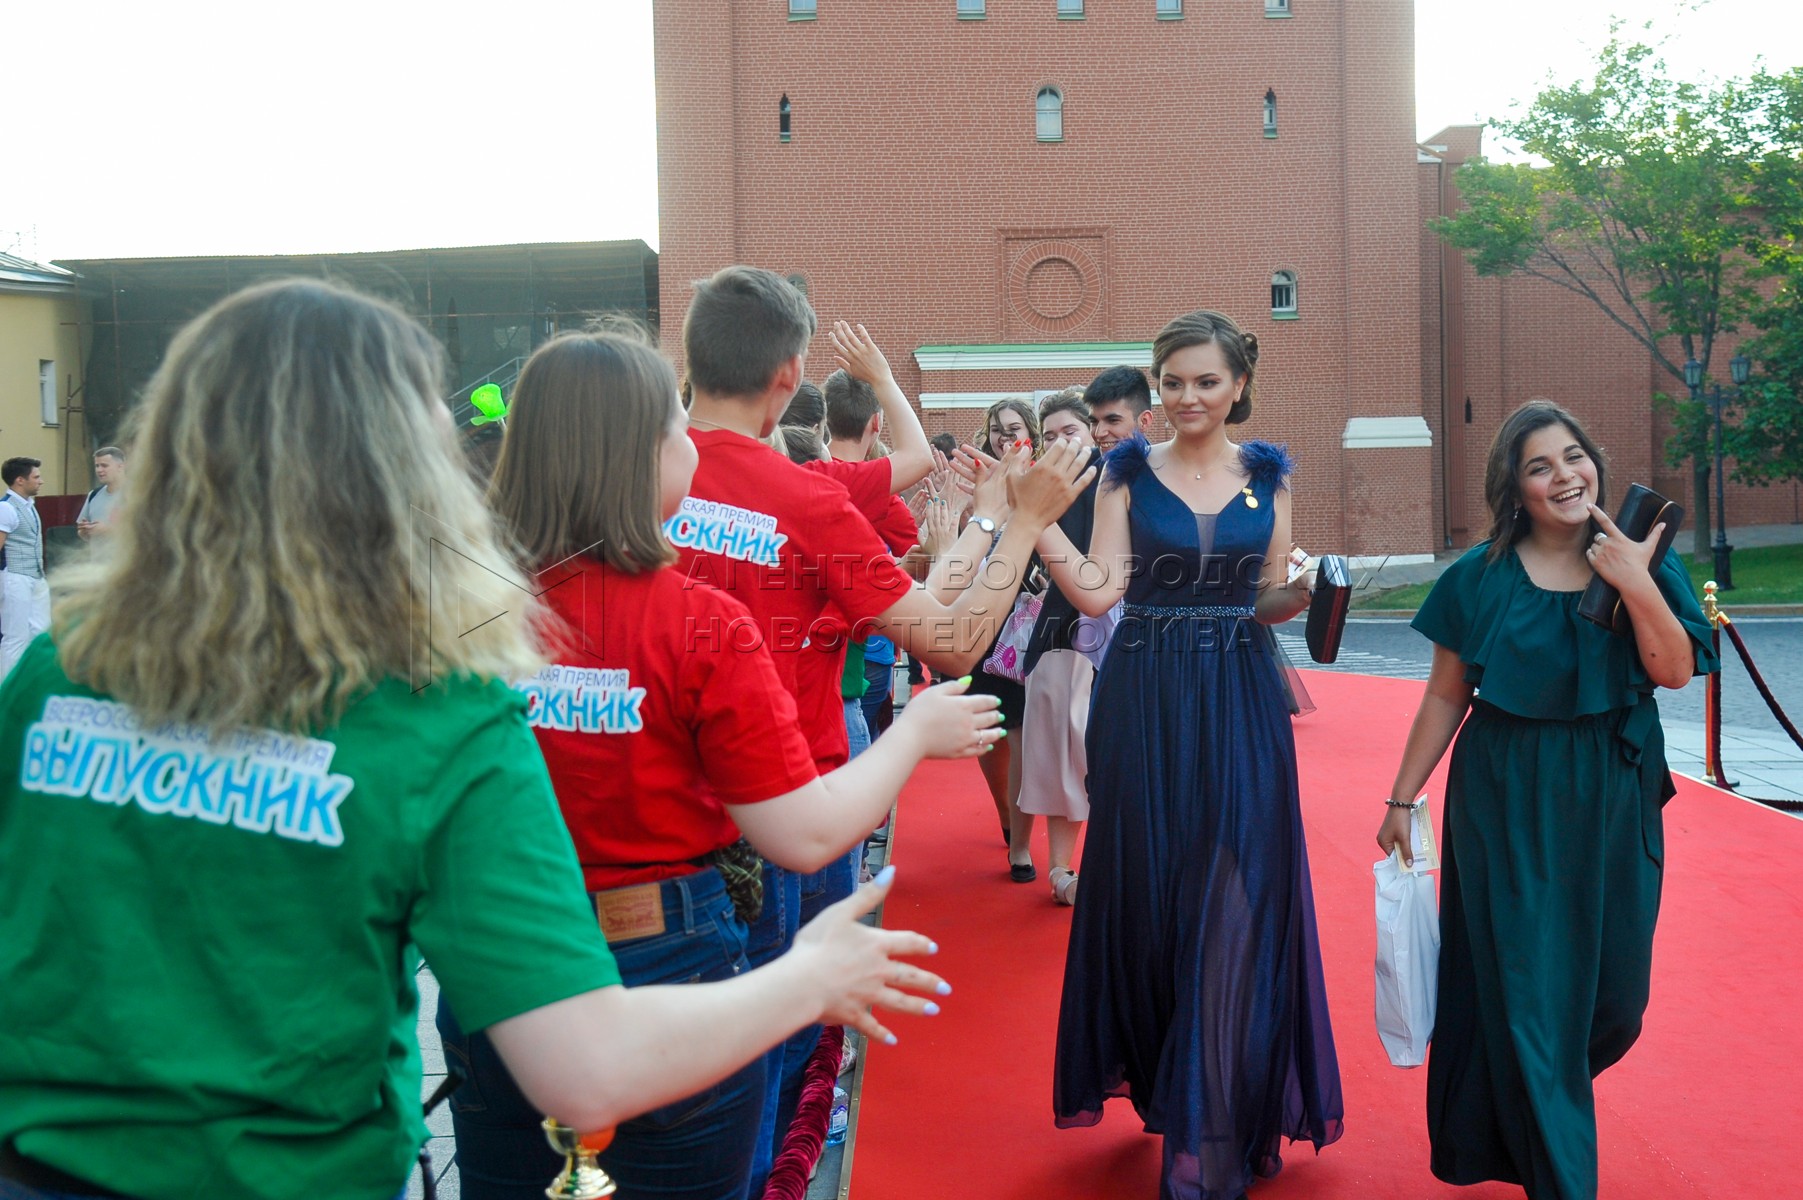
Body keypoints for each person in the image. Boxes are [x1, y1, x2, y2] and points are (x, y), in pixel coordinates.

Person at [0, 279, 950, 1200]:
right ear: (401, 468)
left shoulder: (55, 668)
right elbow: (584, 1069)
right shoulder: (432, 716)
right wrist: (809, 976)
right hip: (289, 1167)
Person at [437, 328, 1001, 1200]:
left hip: (496, 963)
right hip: (664, 959)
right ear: (639, 455)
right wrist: (915, 732)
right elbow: (801, 834)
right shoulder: (696, 621)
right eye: (677, 428)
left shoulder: (456, 613)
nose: (693, 448)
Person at [670, 265, 1091, 1190]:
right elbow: (952, 642)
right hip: (789, 807)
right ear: (788, 374)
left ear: (690, 362)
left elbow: (915, 601)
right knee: (774, 1060)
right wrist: (1021, 523)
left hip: (650, 827)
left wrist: (980, 530)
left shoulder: (633, 483)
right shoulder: (807, 497)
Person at [1036, 309, 1343, 1199]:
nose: (1186, 397)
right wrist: (1038, 522)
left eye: (1205, 381)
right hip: (1145, 696)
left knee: (1242, 886)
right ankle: (1168, 1077)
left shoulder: (1268, 477)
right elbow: (1098, 594)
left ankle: (1219, 1104)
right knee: (1150, 889)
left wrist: (1303, 592)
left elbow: (1264, 599)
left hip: (1241, 698)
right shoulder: (1126, 473)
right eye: (1171, 382)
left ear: (1238, 385)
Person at [1376, 400, 1713, 1200]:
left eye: (1572, 456)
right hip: (1505, 793)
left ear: (1593, 460)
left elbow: (1673, 671)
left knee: (1614, 1001)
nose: (1563, 476)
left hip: (1614, 787)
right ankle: (1558, 1170)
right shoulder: (1480, 576)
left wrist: (1633, 580)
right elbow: (1444, 695)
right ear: (1514, 487)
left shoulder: (1642, 556)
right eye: (1538, 466)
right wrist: (1400, 798)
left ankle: (1527, 1102)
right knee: (1531, 995)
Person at [1016, 388, 1102, 906]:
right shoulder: (1041, 489)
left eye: (1069, 431)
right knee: (1060, 753)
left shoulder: (1118, 479)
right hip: (1059, 633)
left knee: (1103, 757)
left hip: (1124, 634)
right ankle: (1059, 869)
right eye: (1048, 436)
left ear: (1093, 432)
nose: (1059, 443)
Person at [963, 396, 1043, 880]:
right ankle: (1006, 814)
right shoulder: (981, 480)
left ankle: (1022, 845)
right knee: (991, 733)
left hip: (1032, 621)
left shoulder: (1044, 479)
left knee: (1023, 733)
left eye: (1013, 428)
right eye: (996, 428)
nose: (1004, 436)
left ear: (1030, 432)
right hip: (983, 621)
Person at [0, 457, 50, 678]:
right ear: (20, 480)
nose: (41, 481)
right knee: (15, 636)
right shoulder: (6, 508)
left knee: (41, 633)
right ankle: (6, 688)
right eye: (36, 477)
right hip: (15, 576)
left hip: (36, 575)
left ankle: (34, 682)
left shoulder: (29, 505)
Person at [1082, 365, 1156, 452]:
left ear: (1144, 422)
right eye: (1094, 421)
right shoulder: (1081, 460)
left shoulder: (1164, 460)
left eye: (1112, 420)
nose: (1098, 433)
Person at [75, 447, 126, 540]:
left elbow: (144, 532)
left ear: (120, 467)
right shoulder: (93, 495)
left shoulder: (136, 495)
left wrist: (106, 530)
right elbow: (82, 533)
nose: (99, 470)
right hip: (96, 550)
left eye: (104, 465)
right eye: (97, 466)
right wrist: (84, 531)